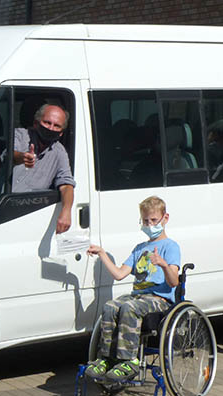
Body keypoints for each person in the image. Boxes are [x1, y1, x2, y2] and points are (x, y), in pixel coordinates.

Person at [84, 196, 180, 381]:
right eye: (145, 221)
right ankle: (107, 359)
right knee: (110, 306)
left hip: (159, 299)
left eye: (153, 220)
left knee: (129, 308)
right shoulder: (139, 248)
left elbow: (174, 281)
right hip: (139, 296)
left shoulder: (171, 246)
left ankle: (130, 360)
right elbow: (119, 274)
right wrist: (102, 253)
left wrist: (163, 264)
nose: (149, 224)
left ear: (165, 218)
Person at [12, 103, 75, 233]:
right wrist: (22, 157)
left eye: (56, 126)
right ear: (36, 123)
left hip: (31, 214)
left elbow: (66, 184)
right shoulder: (20, 135)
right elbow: (9, 154)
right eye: (47, 123)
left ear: (61, 133)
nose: (51, 128)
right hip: (3, 208)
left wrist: (66, 211)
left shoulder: (59, 151)